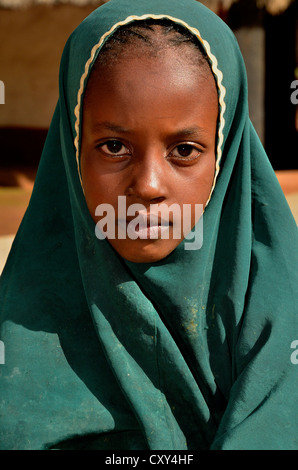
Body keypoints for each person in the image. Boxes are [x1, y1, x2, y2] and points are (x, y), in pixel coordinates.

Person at [0, 0, 297, 451]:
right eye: (114, 146)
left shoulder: (279, 318)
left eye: (184, 150)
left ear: (226, 155)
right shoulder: (22, 332)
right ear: (73, 149)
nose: (148, 186)